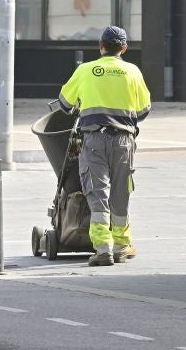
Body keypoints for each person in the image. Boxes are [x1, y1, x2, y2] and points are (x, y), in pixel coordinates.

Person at [59, 25, 151, 267]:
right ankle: (122, 245)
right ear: (124, 49)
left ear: (100, 47)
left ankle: (103, 248)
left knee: (97, 191)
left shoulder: (86, 70)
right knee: (121, 191)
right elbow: (143, 110)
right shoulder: (132, 72)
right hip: (124, 141)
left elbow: (65, 104)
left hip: (93, 140)